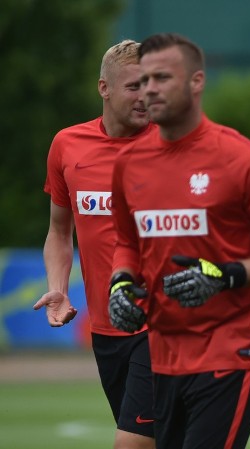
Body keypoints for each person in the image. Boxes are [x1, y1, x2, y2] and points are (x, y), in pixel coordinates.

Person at [108, 33, 250, 449]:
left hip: (232, 348)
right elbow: (128, 242)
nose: (150, 89)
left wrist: (226, 275)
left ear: (197, 81)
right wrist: (120, 283)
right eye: (145, 79)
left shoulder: (244, 159)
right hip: (163, 352)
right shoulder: (129, 163)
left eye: (163, 77)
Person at [35, 39, 157, 449]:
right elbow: (58, 231)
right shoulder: (68, 145)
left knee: (132, 443)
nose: (145, 96)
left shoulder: (173, 146)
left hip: (161, 325)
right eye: (134, 86)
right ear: (104, 88)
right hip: (106, 330)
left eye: (151, 85)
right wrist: (59, 287)